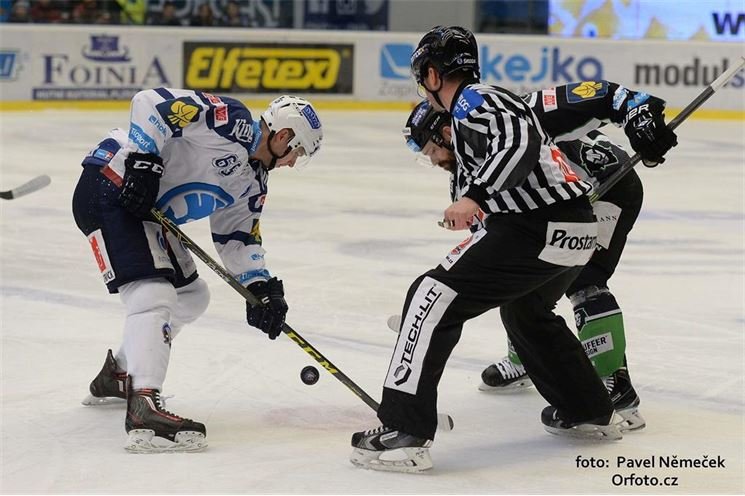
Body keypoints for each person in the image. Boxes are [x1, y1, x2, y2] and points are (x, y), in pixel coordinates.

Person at [349, 26, 676, 473]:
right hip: (572, 230)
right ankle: (589, 410)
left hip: (540, 224)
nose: (429, 156)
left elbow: (518, 144)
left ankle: (404, 433)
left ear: (431, 74)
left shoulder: (473, 101)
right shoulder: (480, 128)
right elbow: (490, 245)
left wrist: (475, 199)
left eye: (427, 145)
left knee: (430, 295)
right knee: (525, 310)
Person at [402, 81, 674, 433]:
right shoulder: (467, 173)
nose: (434, 160)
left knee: (585, 279)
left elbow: (600, 94)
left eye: (430, 150)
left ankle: (614, 382)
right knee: (521, 278)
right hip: (568, 201)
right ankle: (528, 358)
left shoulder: (505, 113)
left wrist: (638, 113)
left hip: (610, 184)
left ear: (444, 132)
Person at [73, 89, 323, 453]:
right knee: (153, 294)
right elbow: (150, 103)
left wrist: (262, 287)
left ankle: (120, 374)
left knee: (192, 296)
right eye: (297, 153)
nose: (292, 162)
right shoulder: (231, 121)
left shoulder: (252, 183)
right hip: (111, 183)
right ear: (284, 137)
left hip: (142, 212)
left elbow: (237, 238)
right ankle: (144, 405)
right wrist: (144, 162)